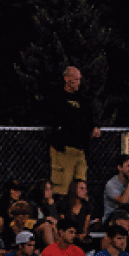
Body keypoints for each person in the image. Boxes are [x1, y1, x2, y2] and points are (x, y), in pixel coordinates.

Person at [46, 65, 101, 196]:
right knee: (61, 188)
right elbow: (53, 118)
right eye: (75, 79)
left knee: (81, 186)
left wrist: (94, 127)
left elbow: (89, 117)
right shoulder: (57, 98)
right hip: (63, 150)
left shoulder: (83, 100)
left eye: (79, 80)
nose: (78, 83)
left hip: (80, 150)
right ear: (67, 79)